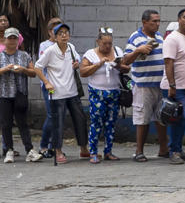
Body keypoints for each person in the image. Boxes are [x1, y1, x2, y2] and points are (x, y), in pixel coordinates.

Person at [32, 22, 86, 164]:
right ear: (55, 37)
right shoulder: (50, 50)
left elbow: (77, 61)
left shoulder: (71, 48)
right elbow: (37, 67)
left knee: (80, 120)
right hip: (57, 93)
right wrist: (46, 82)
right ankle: (58, 151)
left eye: (66, 33)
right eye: (60, 33)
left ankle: (84, 148)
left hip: (73, 92)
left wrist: (76, 64)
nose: (64, 35)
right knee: (58, 124)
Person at [74, 28, 123, 163]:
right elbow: (83, 72)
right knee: (96, 123)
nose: (107, 46)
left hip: (114, 92)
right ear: (98, 42)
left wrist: (119, 66)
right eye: (104, 44)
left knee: (111, 123)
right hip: (97, 92)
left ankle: (108, 152)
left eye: (109, 44)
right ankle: (93, 152)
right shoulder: (91, 54)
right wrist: (99, 64)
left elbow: (127, 67)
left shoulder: (118, 51)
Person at [124, 10, 167, 161]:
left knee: (161, 117)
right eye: (153, 21)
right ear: (144, 22)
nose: (157, 24)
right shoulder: (135, 37)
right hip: (143, 84)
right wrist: (138, 50)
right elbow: (126, 60)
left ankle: (163, 149)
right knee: (142, 118)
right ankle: (139, 151)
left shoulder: (160, 37)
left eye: (158, 21)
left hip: (160, 84)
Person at [161, 11, 185, 166]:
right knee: (178, 118)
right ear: (178, 20)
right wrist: (172, 85)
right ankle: (173, 151)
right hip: (176, 87)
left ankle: (178, 148)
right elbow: (168, 62)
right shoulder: (172, 39)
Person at [0, 26, 34, 162]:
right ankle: (9, 150)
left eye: (15, 38)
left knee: (23, 123)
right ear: (4, 40)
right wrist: (4, 69)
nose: (12, 41)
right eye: (10, 38)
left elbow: (33, 72)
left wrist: (23, 69)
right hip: (4, 94)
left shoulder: (24, 55)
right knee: (6, 124)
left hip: (20, 93)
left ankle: (30, 150)